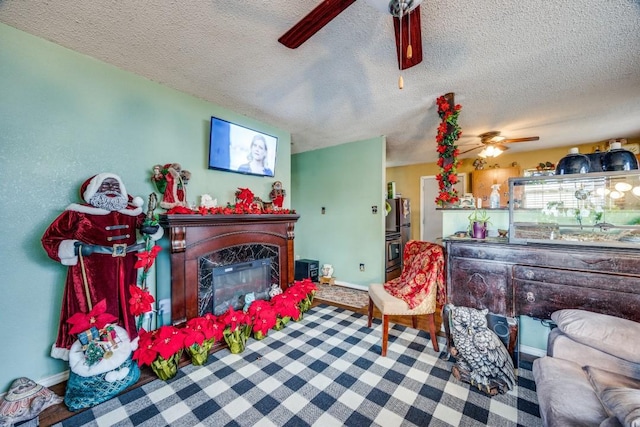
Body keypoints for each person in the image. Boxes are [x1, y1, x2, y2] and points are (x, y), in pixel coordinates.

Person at [41, 173, 163, 360]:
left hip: (126, 269)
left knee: (126, 306)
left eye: (115, 186)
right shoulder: (77, 212)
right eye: (105, 187)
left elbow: (150, 226)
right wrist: (73, 248)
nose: (111, 190)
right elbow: (50, 239)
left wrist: (152, 230)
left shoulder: (132, 211)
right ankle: (93, 358)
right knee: (93, 312)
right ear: (93, 189)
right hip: (91, 272)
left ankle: (123, 355)